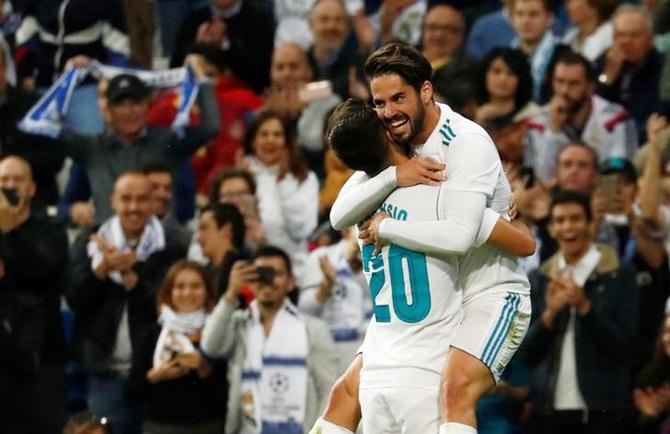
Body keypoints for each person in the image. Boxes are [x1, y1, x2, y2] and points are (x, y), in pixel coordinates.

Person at [320, 42, 534, 434]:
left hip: (488, 292)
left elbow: (467, 236)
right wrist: (394, 177)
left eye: (398, 98)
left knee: (454, 390)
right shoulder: (394, 153)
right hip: (436, 298)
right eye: (379, 102)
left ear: (426, 90)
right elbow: (338, 213)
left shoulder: (465, 144)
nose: (388, 112)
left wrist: (386, 227)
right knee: (345, 393)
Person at [67, 171, 188, 434]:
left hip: (156, 374)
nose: (133, 207)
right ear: (113, 201)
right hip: (104, 373)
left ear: (153, 202)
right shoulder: (89, 241)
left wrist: (129, 277)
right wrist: (101, 271)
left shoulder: (171, 245)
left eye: (142, 199)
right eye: (126, 199)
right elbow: (75, 299)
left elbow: (167, 307)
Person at [40, 53, 220, 224]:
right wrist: (67, 81)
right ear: (108, 109)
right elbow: (44, 125)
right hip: (107, 246)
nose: (129, 112)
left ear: (148, 106)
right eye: (121, 104)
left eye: (136, 103)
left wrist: (201, 78)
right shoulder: (90, 148)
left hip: (161, 245)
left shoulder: (168, 142)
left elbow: (211, 127)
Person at [524, 190, 638, 434]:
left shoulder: (619, 273)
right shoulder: (540, 278)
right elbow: (527, 354)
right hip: (547, 409)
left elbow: (624, 347)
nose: (568, 227)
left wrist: (585, 307)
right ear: (552, 228)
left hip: (602, 411)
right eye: (560, 220)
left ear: (589, 223)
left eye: (576, 218)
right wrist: (550, 314)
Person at [201, 245, 340, 433]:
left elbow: (328, 389)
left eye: (275, 273)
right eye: (261, 273)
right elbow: (210, 347)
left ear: (290, 282)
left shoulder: (313, 329)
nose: (267, 280)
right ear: (250, 281)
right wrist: (231, 293)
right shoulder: (238, 324)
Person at [0, 155, 69, 433]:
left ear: (32, 188)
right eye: (4, 180)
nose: (10, 186)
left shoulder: (51, 229)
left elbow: (42, 272)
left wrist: (10, 228)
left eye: (18, 180)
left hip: (41, 358)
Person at [125, 260, 227, 434]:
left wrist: (203, 368)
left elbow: (228, 392)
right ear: (168, 292)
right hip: (160, 427)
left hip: (208, 427)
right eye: (179, 286)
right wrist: (154, 376)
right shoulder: (152, 334)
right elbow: (130, 394)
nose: (187, 293)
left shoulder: (218, 332)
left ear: (206, 292)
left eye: (195, 286)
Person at [524, 50, 638, 182]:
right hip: (555, 197)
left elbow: (621, 167)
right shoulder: (537, 122)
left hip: (604, 192)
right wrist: (554, 132)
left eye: (573, 83)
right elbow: (543, 177)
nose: (564, 91)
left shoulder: (615, 119)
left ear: (590, 87)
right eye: (559, 82)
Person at [241, 111, 319, 283]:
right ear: (253, 141)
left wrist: (283, 183)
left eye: (277, 134)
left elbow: (302, 230)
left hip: (294, 273)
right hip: (248, 268)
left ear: (287, 142)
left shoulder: (304, 179)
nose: (270, 140)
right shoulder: (241, 178)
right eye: (264, 134)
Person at [595, 4, 667, 140]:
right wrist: (608, 76)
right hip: (605, 139)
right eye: (620, 35)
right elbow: (593, 110)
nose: (626, 42)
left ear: (650, 38)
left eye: (635, 35)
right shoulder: (603, 62)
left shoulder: (663, 68)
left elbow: (659, 115)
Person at [474, 47, 539, 166]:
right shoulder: (469, 113)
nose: (503, 78)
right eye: (496, 71)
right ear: (485, 75)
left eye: (511, 73)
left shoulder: (534, 117)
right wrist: (479, 123)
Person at [509, 0, 564, 102]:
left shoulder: (564, 55)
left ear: (549, 18)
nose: (526, 21)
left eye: (533, 14)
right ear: (512, 19)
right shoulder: (504, 56)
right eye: (520, 14)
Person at [196, 203, 250, 300]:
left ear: (226, 230)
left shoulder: (245, 271)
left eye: (204, 228)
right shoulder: (202, 274)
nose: (198, 238)